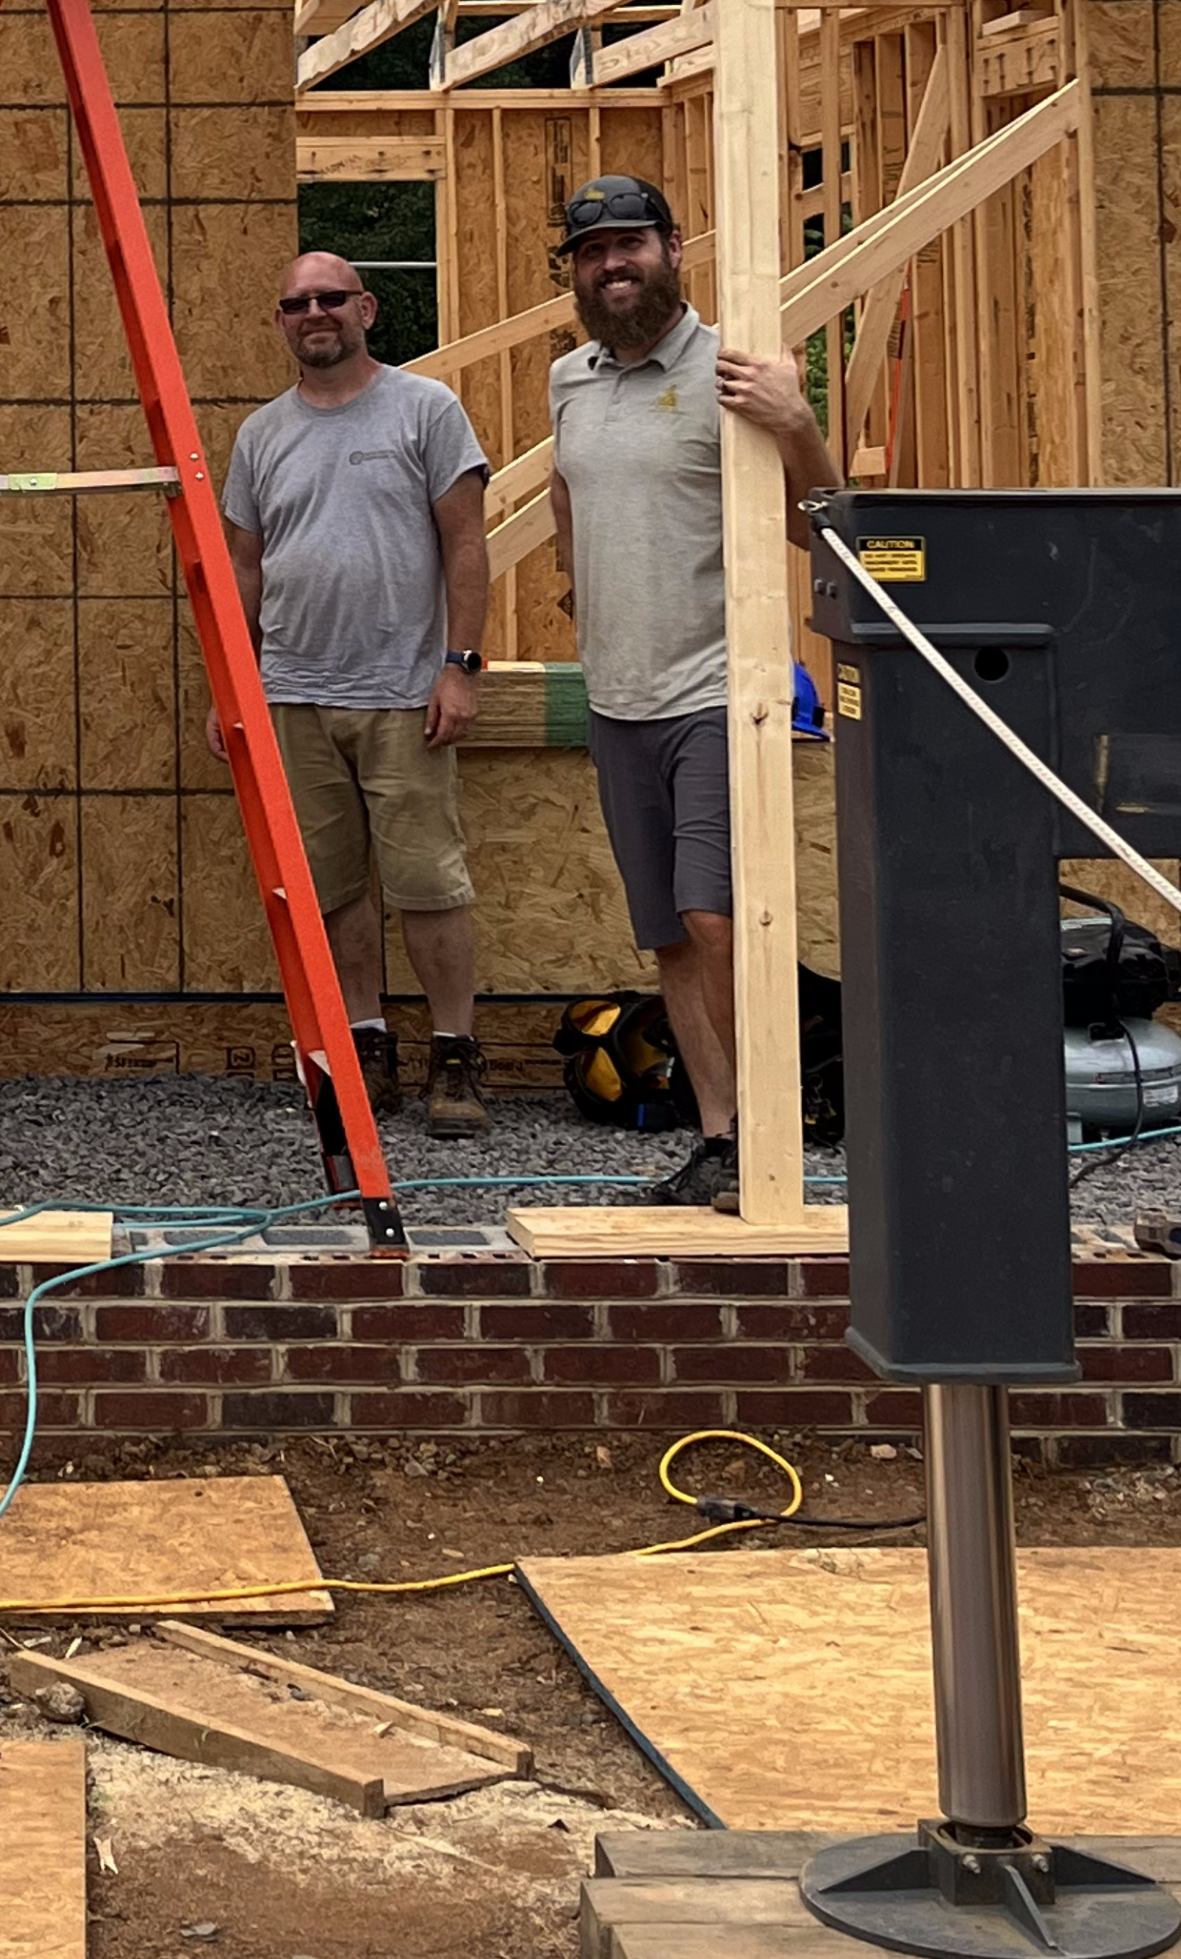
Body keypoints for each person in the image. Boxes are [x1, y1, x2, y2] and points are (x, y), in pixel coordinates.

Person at [547, 171, 838, 1213]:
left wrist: (798, 424)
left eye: (631, 245)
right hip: (617, 699)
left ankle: (772, 1130)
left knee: (718, 920)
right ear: (575, 271)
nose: (613, 265)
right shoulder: (570, 381)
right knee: (667, 932)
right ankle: (719, 1137)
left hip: (718, 692)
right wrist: (582, 588)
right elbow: (566, 490)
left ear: (675, 248)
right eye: (592, 252)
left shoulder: (734, 373)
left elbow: (823, 525)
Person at [220, 249, 495, 1140]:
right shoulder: (262, 434)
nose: (315, 314)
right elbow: (243, 570)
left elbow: (465, 544)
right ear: (281, 322)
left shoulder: (426, 411)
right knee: (334, 887)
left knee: (428, 885)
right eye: (296, 303)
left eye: (331, 299)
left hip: (401, 696)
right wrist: (233, 687)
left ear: (366, 309)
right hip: (295, 695)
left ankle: (455, 1055)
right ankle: (364, 1044)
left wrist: (459, 664)